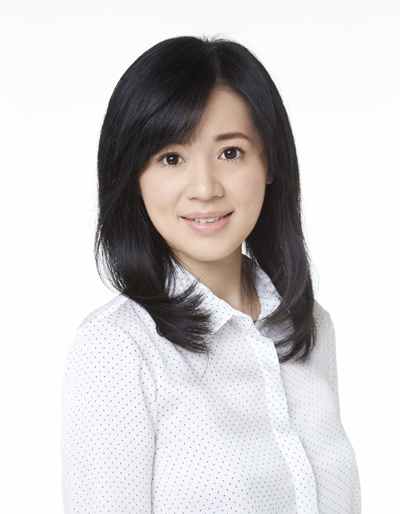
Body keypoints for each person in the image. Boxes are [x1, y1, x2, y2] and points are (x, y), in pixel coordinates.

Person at [61, 35, 361, 513]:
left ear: (269, 163)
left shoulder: (310, 327)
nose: (204, 188)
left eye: (231, 152)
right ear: (134, 178)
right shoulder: (117, 348)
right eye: (171, 158)